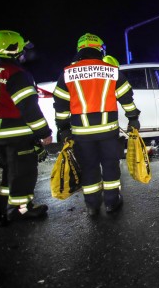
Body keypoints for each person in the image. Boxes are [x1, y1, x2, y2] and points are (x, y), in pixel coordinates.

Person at [52, 33, 140, 216]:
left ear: (80, 50)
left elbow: (61, 105)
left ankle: (92, 206)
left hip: (81, 134)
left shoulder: (67, 73)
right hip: (108, 131)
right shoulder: (111, 70)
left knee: (89, 167)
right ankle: (111, 202)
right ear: (100, 49)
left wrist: (63, 128)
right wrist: (133, 118)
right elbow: (126, 98)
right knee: (110, 165)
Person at [0, 30, 53, 226]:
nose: (24, 54)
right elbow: (29, 107)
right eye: (21, 49)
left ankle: (3, 208)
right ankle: (21, 210)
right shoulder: (16, 74)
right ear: (12, 49)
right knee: (24, 172)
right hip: (16, 133)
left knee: (9, 171)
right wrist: (44, 133)